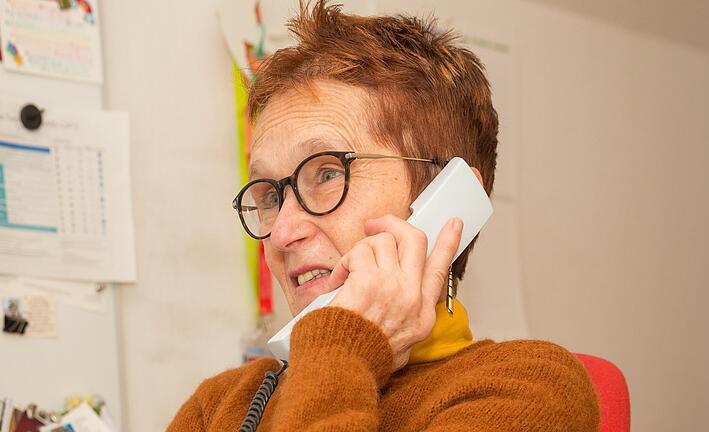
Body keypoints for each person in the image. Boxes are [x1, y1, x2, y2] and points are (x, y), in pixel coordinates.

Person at [169, 2, 599, 430]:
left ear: (449, 200)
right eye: (269, 196)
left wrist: (342, 345)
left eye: (328, 173)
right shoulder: (219, 406)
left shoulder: (529, 389)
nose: (280, 234)